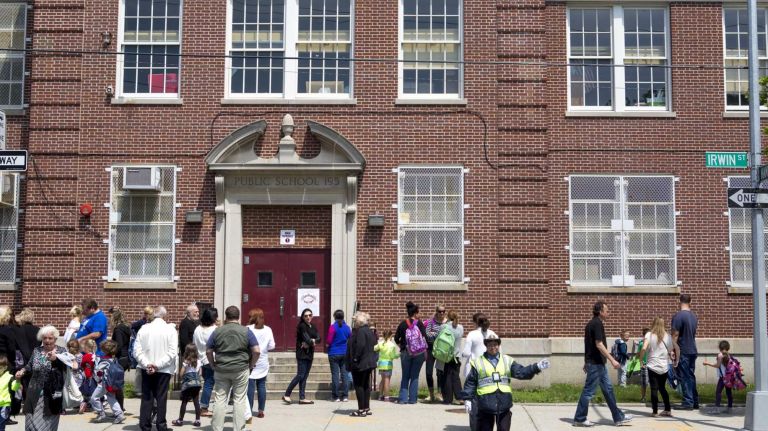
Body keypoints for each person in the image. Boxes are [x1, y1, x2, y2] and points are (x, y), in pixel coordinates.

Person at [460, 334, 549, 431]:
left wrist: (536, 367)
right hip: (485, 404)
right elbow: (471, 382)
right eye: (490, 345)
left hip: (504, 403)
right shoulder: (478, 362)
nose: (493, 347)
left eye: (495, 344)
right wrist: (467, 399)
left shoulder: (507, 360)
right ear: (486, 346)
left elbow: (521, 372)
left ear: (498, 345)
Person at [573, 301, 633, 427]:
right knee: (589, 391)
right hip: (596, 364)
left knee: (609, 390)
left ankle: (618, 417)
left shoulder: (591, 324)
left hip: (597, 363)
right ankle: (579, 418)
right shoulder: (597, 324)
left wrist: (586, 361)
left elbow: (588, 345)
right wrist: (612, 359)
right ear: (600, 311)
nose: (608, 313)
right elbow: (598, 344)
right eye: (606, 310)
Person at [206, 306, 260, 431]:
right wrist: (251, 365)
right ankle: (239, 428)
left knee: (220, 399)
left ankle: (217, 428)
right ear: (238, 316)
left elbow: (208, 351)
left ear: (226, 316)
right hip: (241, 369)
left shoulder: (217, 331)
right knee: (239, 400)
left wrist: (213, 364)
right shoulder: (246, 331)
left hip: (221, 369)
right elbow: (256, 351)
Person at [14, 325, 67, 431]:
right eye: (44, 338)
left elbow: (68, 367)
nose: (47, 340)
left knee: (49, 419)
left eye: (50, 338)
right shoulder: (37, 350)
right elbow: (29, 365)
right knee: (31, 419)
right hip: (34, 389)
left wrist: (55, 360)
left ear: (55, 339)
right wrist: (22, 371)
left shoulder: (61, 351)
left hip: (52, 391)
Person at [134, 306, 178, 431]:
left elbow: (136, 350)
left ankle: (145, 425)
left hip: (146, 368)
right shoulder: (170, 330)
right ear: (165, 316)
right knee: (161, 398)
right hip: (163, 369)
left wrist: (147, 363)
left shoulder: (144, 328)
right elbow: (172, 352)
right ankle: (161, 425)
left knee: (147, 397)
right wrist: (158, 365)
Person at [637, 317, 677, 418]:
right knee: (663, 388)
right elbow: (671, 350)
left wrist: (641, 360)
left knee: (654, 388)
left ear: (653, 323)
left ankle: (655, 412)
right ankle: (667, 410)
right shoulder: (667, 336)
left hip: (652, 365)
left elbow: (644, 348)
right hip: (664, 366)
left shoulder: (649, 335)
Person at [283, 308, 321, 404]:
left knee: (305, 376)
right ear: (303, 317)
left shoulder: (313, 326)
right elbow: (306, 339)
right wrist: (312, 341)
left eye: (310, 315)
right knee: (300, 375)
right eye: (306, 316)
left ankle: (302, 398)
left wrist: (312, 341)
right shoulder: (302, 326)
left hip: (310, 353)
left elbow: (319, 339)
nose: (308, 317)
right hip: (302, 354)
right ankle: (287, 394)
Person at [394, 301, 428, 404]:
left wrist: (403, 346)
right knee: (415, 376)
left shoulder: (403, 324)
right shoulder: (420, 324)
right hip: (419, 353)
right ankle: (413, 399)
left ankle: (403, 399)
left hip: (406, 352)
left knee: (405, 376)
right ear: (415, 313)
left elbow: (396, 338)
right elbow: (424, 338)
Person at [346, 312, 377, 417]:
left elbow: (360, 345)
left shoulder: (360, 332)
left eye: (355, 321)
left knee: (359, 385)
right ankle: (366, 408)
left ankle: (361, 410)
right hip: (369, 362)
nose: (354, 323)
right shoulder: (369, 331)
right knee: (365, 385)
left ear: (358, 322)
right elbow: (374, 344)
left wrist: (355, 358)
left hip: (361, 363)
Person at [246, 308, 275, 420]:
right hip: (263, 360)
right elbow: (272, 345)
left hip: (251, 359)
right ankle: (261, 410)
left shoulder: (248, 329)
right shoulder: (268, 329)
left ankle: (248, 410)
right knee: (261, 386)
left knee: (250, 387)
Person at [671, 293, 699, 410]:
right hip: (693, 349)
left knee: (684, 376)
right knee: (691, 376)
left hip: (683, 350)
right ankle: (694, 401)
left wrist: (672, 350)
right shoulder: (694, 316)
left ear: (679, 301)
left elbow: (675, 335)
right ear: (690, 302)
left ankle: (688, 402)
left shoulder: (678, 316)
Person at [90, 340, 125, 424]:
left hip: (104, 384)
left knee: (94, 398)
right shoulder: (114, 359)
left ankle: (101, 413)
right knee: (111, 398)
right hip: (111, 383)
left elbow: (98, 372)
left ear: (104, 350)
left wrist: (97, 378)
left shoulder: (104, 361)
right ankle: (119, 414)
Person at [193, 307, 218, 417]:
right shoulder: (215, 329)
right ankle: (204, 408)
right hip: (211, 358)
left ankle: (203, 406)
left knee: (207, 383)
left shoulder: (197, 329)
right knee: (209, 383)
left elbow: (194, 344)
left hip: (201, 358)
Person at [172, 344, 202, 427]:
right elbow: (200, 373)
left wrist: (183, 376)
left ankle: (180, 420)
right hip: (196, 384)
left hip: (188, 385)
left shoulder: (186, 362)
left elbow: (181, 374)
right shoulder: (199, 361)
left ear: (186, 352)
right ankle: (197, 420)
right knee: (196, 402)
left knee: (184, 402)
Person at [703, 340, 738, 411]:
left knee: (718, 392)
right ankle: (730, 407)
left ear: (720, 347)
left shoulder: (720, 355)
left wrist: (707, 363)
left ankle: (717, 408)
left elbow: (717, 365)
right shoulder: (729, 355)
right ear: (728, 347)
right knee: (729, 392)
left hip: (723, 378)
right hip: (729, 377)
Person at [14, 308, 40, 401]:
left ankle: (23, 400)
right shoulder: (38, 330)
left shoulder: (18, 330)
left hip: (21, 358)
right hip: (34, 358)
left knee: (22, 380)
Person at [326, 309, 351, 403]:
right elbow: (350, 338)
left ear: (335, 317)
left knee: (335, 375)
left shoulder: (333, 327)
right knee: (344, 375)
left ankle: (335, 396)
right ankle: (345, 396)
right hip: (344, 353)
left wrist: (327, 346)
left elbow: (329, 340)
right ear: (343, 317)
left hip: (333, 353)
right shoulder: (347, 327)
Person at [109, 307, 131, 412]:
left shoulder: (118, 329)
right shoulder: (126, 327)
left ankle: (120, 408)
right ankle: (120, 407)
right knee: (119, 384)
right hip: (126, 358)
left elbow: (119, 344)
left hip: (121, 358)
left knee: (117, 385)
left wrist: (111, 352)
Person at [424, 305, 447, 403]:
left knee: (440, 372)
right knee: (428, 372)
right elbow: (427, 334)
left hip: (441, 349)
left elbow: (447, 334)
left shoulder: (447, 322)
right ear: (436, 311)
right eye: (439, 311)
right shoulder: (430, 321)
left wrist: (434, 333)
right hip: (430, 349)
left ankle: (439, 393)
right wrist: (438, 334)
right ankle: (431, 394)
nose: (441, 313)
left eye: (443, 311)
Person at [441, 310, 464, 405]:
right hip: (457, 355)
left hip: (447, 355)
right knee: (456, 377)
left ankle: (448, 398)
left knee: (447, 376)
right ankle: (460, 397)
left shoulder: (444, 326)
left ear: (448, 317)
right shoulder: (460, 327)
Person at [374, 329, 399, 401]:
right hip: (388, 364)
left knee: (382, 380)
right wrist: (398, 355)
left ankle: (380, 395)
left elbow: (374, 348)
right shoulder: (392, 345)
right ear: (391, 336)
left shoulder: (381, 343)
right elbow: (392, 356)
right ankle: (386, 397)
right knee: (387, 380)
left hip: (381, 364)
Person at [0, 355, 20, 431]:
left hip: (4, 405)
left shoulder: (9, 377)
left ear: (5, 367)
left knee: (1, 426)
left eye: (0, 368)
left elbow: (14, 387)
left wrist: (17, 380)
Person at [78, 339, 97, 414]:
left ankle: (85, 404)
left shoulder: (85, 356)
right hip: (94, 376)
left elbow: (82, 365)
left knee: (86, 391)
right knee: (93, 390)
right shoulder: (95, 356)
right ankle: (89, 405)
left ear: (87, 348)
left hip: (87, 375)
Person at [634, 327, 650, 402]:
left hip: (651, 364)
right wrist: (640, 363)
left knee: (650, 383)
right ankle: (643, 397)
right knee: (644, 383)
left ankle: (651, 397)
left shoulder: (650, 343)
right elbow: (638, 354)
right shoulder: (641, 343)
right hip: (644, 364)